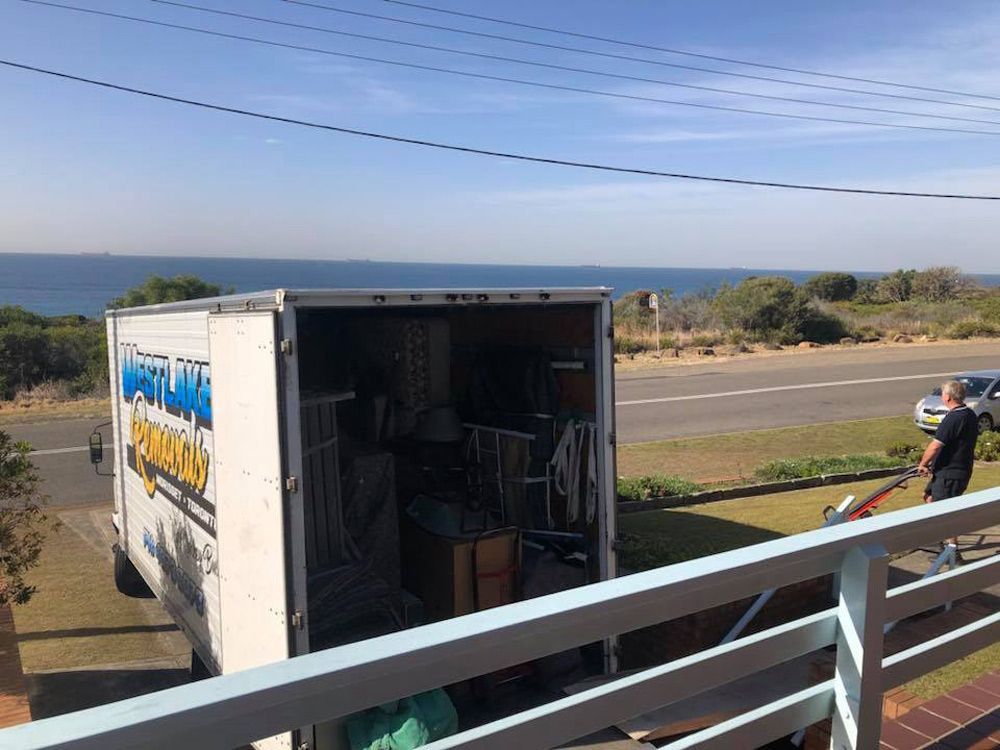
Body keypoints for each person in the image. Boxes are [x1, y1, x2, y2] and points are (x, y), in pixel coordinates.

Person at [917, 379, 979, 560]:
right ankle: (940, 539)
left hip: (951, 472)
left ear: (948, 396)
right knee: (929, 497)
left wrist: (923, 464)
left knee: (946, 511)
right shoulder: (969, 414)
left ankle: (953, 552)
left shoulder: (954, 418)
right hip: (955, 470)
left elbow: (935, 446)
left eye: (943, 393)